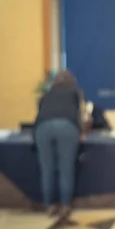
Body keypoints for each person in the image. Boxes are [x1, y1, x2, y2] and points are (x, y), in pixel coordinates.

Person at [34, 70, 84, 217]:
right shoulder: (75, 92)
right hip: (67, 127)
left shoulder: (45, 95)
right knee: (66, 168)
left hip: (43, 128)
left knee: (47, 168)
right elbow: (79, 114)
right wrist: (81, 131)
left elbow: (39, 114)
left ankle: (49, 205)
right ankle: (65, 205)